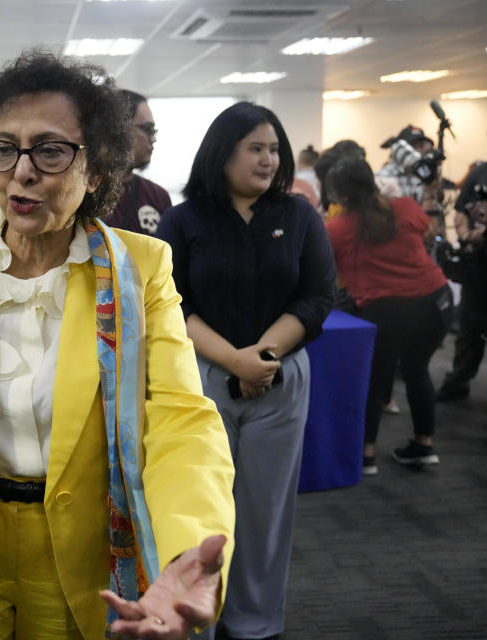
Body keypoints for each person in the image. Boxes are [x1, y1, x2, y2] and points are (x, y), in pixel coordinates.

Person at [0, 51, 235, 640]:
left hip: (84, 549)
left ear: (95, 171)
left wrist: (184, 550)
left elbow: (180, 420)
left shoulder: (140, 269)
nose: (22, 171)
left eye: (50, 150)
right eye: (4, 148)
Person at [156, 101, 336, 640]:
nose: (268, 159)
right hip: (202, 381)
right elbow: (168, 304)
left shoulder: (299, 215)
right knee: (200, 513)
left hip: (279, 380)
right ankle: (198, 621)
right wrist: (234, 360)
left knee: (265, 511)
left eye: (274, 149)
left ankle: (255, 624)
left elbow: (319, 295)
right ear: (223, 152)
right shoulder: (183, 219)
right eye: (255, 148)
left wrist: (261, 356)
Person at [324, 158, 451, 474]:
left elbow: (321, 270)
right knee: (417, 370)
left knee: (376, 380)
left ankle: (366, 455)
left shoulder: (336, 230)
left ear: (338, 195)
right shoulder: (406, 207)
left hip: (386, 310)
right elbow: (429, 232)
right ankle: (423, 445)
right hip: (435, 301)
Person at [437, 163, 487, 401]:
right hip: (477, 265)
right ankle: (458, 380)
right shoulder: (479, 172)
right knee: (469, 325)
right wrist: (467, 237)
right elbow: (459, 212)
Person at [104, 89, 173, 235]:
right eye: (148, 129)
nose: (153, 139)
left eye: (154, 130)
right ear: (118, 128)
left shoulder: (158, 196)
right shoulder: (83, 192)